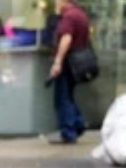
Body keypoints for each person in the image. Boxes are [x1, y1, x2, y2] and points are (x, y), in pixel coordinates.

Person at [48, 0, 90, 145]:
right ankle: (77, 123)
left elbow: (66, 37)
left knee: (62, 98)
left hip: (67, 62)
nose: (55, 3)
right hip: (76, 64)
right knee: (68, 96)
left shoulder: (69, 17)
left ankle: (69, 131)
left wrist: (58, 61)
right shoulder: (81, 15)